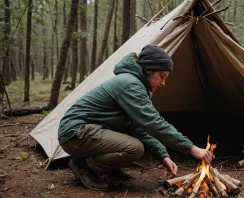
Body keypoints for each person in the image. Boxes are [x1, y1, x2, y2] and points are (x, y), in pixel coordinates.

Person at [58, 44, 212, 191]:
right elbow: (153, 122)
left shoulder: (138, 86)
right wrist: (191, 148)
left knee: (133, 140)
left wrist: (163, 155)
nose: (163, 83)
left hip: (89, 131)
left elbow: (140, 126)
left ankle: (105, 168)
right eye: (161, 76)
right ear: (148, 70)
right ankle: (83, 165)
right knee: (134, 148)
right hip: (76, 132)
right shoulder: (130, 84)